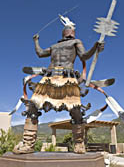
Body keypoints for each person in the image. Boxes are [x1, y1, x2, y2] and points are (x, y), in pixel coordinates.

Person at [13, 25, 104, 154]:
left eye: (71, 28)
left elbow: (84, 56)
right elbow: (40, 53)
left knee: (76, 110)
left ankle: (79, 144)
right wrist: (36, 41)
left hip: (68, 77)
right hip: (50, 76)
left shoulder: (76, 42)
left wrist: (95, 47)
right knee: (33, 106)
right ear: (64, 32)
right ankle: (28, 144)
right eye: (68, 28)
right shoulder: (54, 47)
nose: (70, 30)